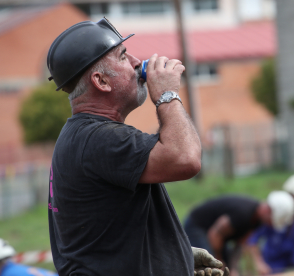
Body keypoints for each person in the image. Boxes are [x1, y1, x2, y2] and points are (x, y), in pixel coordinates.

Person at [46, 18, 228, 276]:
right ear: (101, 81)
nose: (135, 62)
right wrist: (167, 94)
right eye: (122, 57)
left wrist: (176, 255)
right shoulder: (100, 139)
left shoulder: (84, 136)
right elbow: (185, 159)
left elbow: (108, 238)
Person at [184, 191, 294, 276]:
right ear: (268, 210)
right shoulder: (243, 214)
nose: (271, 225)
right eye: (272, 220)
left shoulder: (257, 221)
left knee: (226, 269)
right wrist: (219, 262)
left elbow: (241, 244)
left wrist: (233, 268)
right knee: (209, 267)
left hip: (217, 237)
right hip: (198, 227)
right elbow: (214, 235)